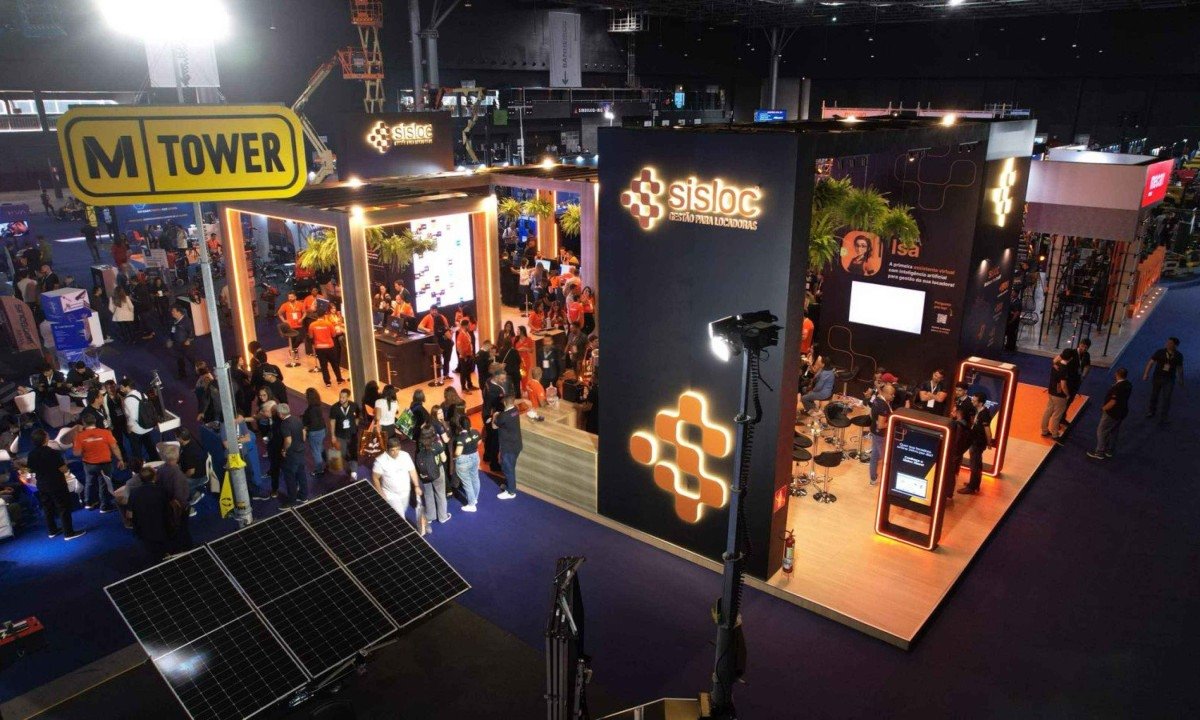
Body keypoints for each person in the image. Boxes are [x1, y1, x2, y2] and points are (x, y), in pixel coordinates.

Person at [28, 429, 86, 540]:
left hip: (42, 484)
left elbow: (31, 470)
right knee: (63, 507)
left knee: (47, 508)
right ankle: (69, 533)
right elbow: (64, 469)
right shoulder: (53, 452)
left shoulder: (31, 454)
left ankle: (52, 530)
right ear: (45, 438)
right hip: (56, 483)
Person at [73, 415, 125, 512]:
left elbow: (76, 453)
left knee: (89, 482)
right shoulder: (106, 433)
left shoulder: (80, 436)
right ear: (95, 421)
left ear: (83, 423)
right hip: (105, 464)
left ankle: (88, 503)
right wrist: (120, 459)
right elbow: (114, 447)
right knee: (104, 485)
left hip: (89, 465)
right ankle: (104, 506)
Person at [372, 435, 422, 526]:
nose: (395, 452)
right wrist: (380, 493)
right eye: (393, 450)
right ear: (387, 449)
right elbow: (375, 478)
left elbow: (412, 471)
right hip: (391, 495)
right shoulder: (380, 461)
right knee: (400, 518)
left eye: (397, 449)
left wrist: (417, 486)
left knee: (402, 510)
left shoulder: (405, 456)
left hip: (405, 492)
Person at [154, 443, 194, 550]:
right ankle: (187, 548)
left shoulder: (161, 470)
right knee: (182, 529)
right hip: (178, 507)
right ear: (177, 456)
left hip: (166, 504)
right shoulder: (177, 474)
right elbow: (179, 495)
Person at [129, 466, 173, 560]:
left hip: (143, 529)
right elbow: (170, 507)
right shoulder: (162, 490)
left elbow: (129, 515)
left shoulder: (133, 493)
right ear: (155, 477)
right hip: (162, 526)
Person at [1089, 368, 1133, 460]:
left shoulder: (1117, 387)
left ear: (1117, 374)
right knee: (1114, 431)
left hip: (1112, 413)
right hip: (1122, 411)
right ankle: (1109, 450)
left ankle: (1099, 452)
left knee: (1101, 430)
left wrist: (1104, 408)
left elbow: (1113, 402)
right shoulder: (1128, 384)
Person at [415, 425, 451, 531]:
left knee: (428, 494)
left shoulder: (419, 444)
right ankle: (442, 517)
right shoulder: (437, 445)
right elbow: (444, 459)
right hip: (437, 471)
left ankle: (430, 516)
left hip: (424, 473)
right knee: (440, 494)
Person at [1144, 336, 1184, 425]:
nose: (1167, 344)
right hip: (1157, 377)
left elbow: (1180, 368)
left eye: (1170, 343)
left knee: (1167, 398)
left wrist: (1180, 379)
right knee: (1154, 395)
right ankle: (1151, 411)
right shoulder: (1160, 352)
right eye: (1168, 342)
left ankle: (1164, 416)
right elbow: (1151, 362)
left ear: (1175, 345)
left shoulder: (1179, 356)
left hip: (1169, 379)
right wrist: (1146, 374)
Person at [958, 392, 993, 495]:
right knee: (976, 464)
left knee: (975, 465)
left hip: (978, 442)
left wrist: (989, 442)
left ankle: (972, 487)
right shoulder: (977, 411)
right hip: (974, 440)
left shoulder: (984, 414)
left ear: (980, 403)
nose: (972, 401)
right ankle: (974, 484)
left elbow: (987, 430)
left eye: (974, 400)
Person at [120, 378, 160, 461]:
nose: (120, 389)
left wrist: (129, 428)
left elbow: (132, 417)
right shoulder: (142, 394)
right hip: (147, 426)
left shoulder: (128, 400)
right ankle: (156, 461)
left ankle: (138, 465)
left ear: (127, 387)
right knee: (150, 447)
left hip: (136, 429)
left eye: (122, 387)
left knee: (136, 451)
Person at [491, 394, 522, 499]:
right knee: (510, 467)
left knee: (508, 469)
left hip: (508, 447)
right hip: (516, 445)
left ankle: (511, 492)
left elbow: (494, 426)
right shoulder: (516, 410)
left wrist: (495, 415)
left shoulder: (503, 416)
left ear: (504, 403)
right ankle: (510, 485)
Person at [276, 404, 307, 505]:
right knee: (301, 475)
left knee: (290, 478)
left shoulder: (284, 424)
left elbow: (288, 440)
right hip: (301, 451)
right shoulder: (297, 419)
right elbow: (304, 434)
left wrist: (284, 450)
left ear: (280, 414)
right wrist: (300, 443)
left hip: (291, 455)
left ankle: (291, 501)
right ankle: (303, 496)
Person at [452, 414, 482, 512]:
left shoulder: (460, 438)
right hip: (475, 456)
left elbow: (458, 452)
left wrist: (454, 457)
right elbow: (479, 442)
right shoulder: (475, 432)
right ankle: (475, 498)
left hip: (463, 461)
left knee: (467, 482)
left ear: (460, 426)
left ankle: (471, 504)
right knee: (475, 478)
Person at [308, 309, 345, 387]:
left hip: (319, 348)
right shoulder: (328, 324)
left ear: (317, 316)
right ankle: (339, 379)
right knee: (335, 364)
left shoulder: (312, 325)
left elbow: (311, 337)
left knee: (323, 366)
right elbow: (334, 335)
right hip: (330, 347)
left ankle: (327, 382)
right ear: (324, 315)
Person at [867, 384, 895, 486]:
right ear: (885, 393)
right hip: (880, 435)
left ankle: (873, 478)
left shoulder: (876, 400)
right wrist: (893, 422)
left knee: (874, 456)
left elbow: (871, 415)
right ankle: (889, 482)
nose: (893, 396)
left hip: (874, 431)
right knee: (886, 458)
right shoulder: (883, 406)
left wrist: (876, 422)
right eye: (891, 394)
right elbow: (881, 425)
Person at [1041, 350, 1071, 439]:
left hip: (1051, 391)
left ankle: (1044, 430)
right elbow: (1063, 385)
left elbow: (1055, 359)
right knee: (1057, 415)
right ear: (1070, 358)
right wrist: (1067, 394)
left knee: (1048, 411)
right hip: (1059, 395)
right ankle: (1055, 434)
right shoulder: (1064, 369)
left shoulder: (1056, 364)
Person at [482, 363, 507, 469]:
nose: (504, 381)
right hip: (493, 416)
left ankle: (486, 456)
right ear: (496, 376)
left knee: (489, 437)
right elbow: (502, 405)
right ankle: (494, 463)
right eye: (502, 379)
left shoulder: (488, 381)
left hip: (486, 413)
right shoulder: (497, 390)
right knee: (495, 440)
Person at [177, 428, 209, 510]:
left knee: (178, 482)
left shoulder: (188, 452)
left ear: (181, 439)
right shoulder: (193, 442)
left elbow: (191, 472)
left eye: (176, 437)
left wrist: (182, 477)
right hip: (202, 471)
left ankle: (195, 494)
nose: (176, 439)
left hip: (197, 477)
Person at [328, 389, 360, 465]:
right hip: (340, 435)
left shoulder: (354, 405)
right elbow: (332, 422)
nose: (341, 399)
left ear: (348, 397)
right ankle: (348, 460)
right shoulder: (334, 408)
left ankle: (353, 469)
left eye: (343, 397)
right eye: (340, 397)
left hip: (352, 434)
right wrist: (333, 436)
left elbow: (358, 416)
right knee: (342, 452)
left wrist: (355, 425)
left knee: (354, 452)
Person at [302, 387, 327, 475]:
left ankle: (319, 470)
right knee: (320, 447)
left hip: (315, 433)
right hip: (322, 430)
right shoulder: (317, 405)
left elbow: (313, 423)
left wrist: (306, 428)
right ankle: (328, 462)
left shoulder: (311, 409)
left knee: (316, 452)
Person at [277, 291, 306, 366]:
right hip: (290, 327)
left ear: (295, 297)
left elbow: (305, 313)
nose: (290, 298)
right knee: (292, 340)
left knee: (300, 339)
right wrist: (284, 321)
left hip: (299, 325)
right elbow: (279, 313)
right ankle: (295, 352)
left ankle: (292, 349)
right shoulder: (285, 305)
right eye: (289, 297)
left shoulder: (300, 304)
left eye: (292, 297)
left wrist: (302, 319)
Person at [167, 304, 196, 379]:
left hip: (186, 345)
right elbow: (173, 331)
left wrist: (189, 340)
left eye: (173, 311)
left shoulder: (187, 321)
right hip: (177, 344)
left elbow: (192, 331)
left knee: (192, 359)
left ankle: (199, 372)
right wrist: (171, 339)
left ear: (179, 312)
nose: (172, 313)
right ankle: (182, 374)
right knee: (180, 360)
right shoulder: (174, 321)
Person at [454, 319, 477, 392]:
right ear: (465, 326)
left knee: (468, 372)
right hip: (464, 357)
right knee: (463, 373)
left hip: (469, 356)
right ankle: (463, 388)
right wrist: (464, 357)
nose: (470, 326)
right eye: (469, 325)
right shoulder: (461, 335)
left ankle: (470, 385)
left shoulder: (467, 333)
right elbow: (459, 347)